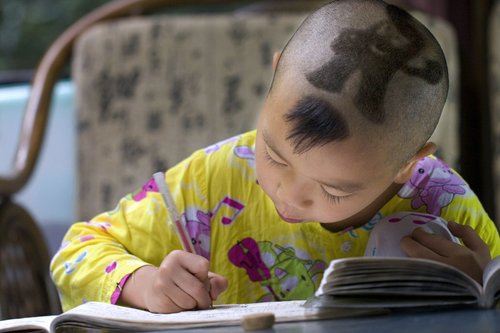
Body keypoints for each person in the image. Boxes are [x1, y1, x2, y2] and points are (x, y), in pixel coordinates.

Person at [51, 0, 500, 313]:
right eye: (275, 154)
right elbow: (75, 253)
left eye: (332, 190)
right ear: (274, 75)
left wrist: (483, 291)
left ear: (409, 163)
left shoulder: (445, 209)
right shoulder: (211, 180)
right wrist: (143, 285)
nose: (289, 196)